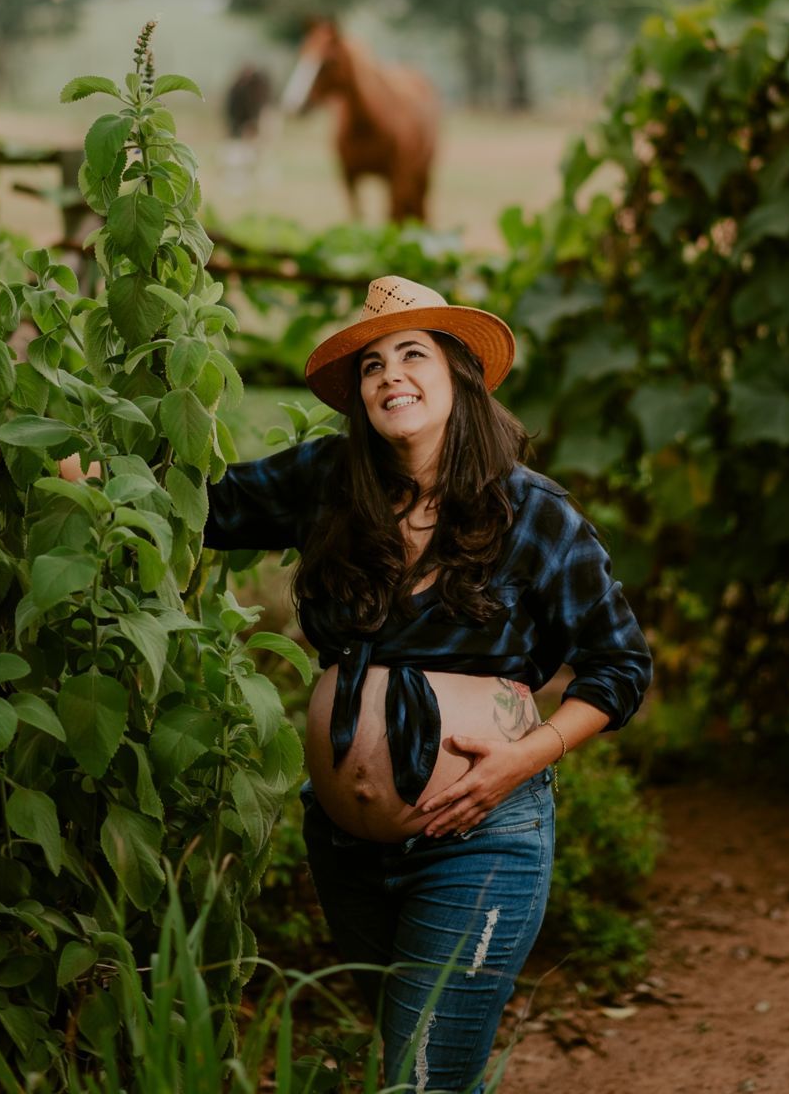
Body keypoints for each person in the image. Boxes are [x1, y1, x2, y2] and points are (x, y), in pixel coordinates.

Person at [204, 275, 652, 1094]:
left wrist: (527, 757)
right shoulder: (331, 484)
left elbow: (622, 665)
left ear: (459, 378)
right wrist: (86, 456)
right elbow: (200, 504)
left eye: (413, 354)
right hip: (345, 850)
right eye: (371, 365)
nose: (389, 376)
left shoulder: (534, 514)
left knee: (418, 1078)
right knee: (426, 1067)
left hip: (483, 836)